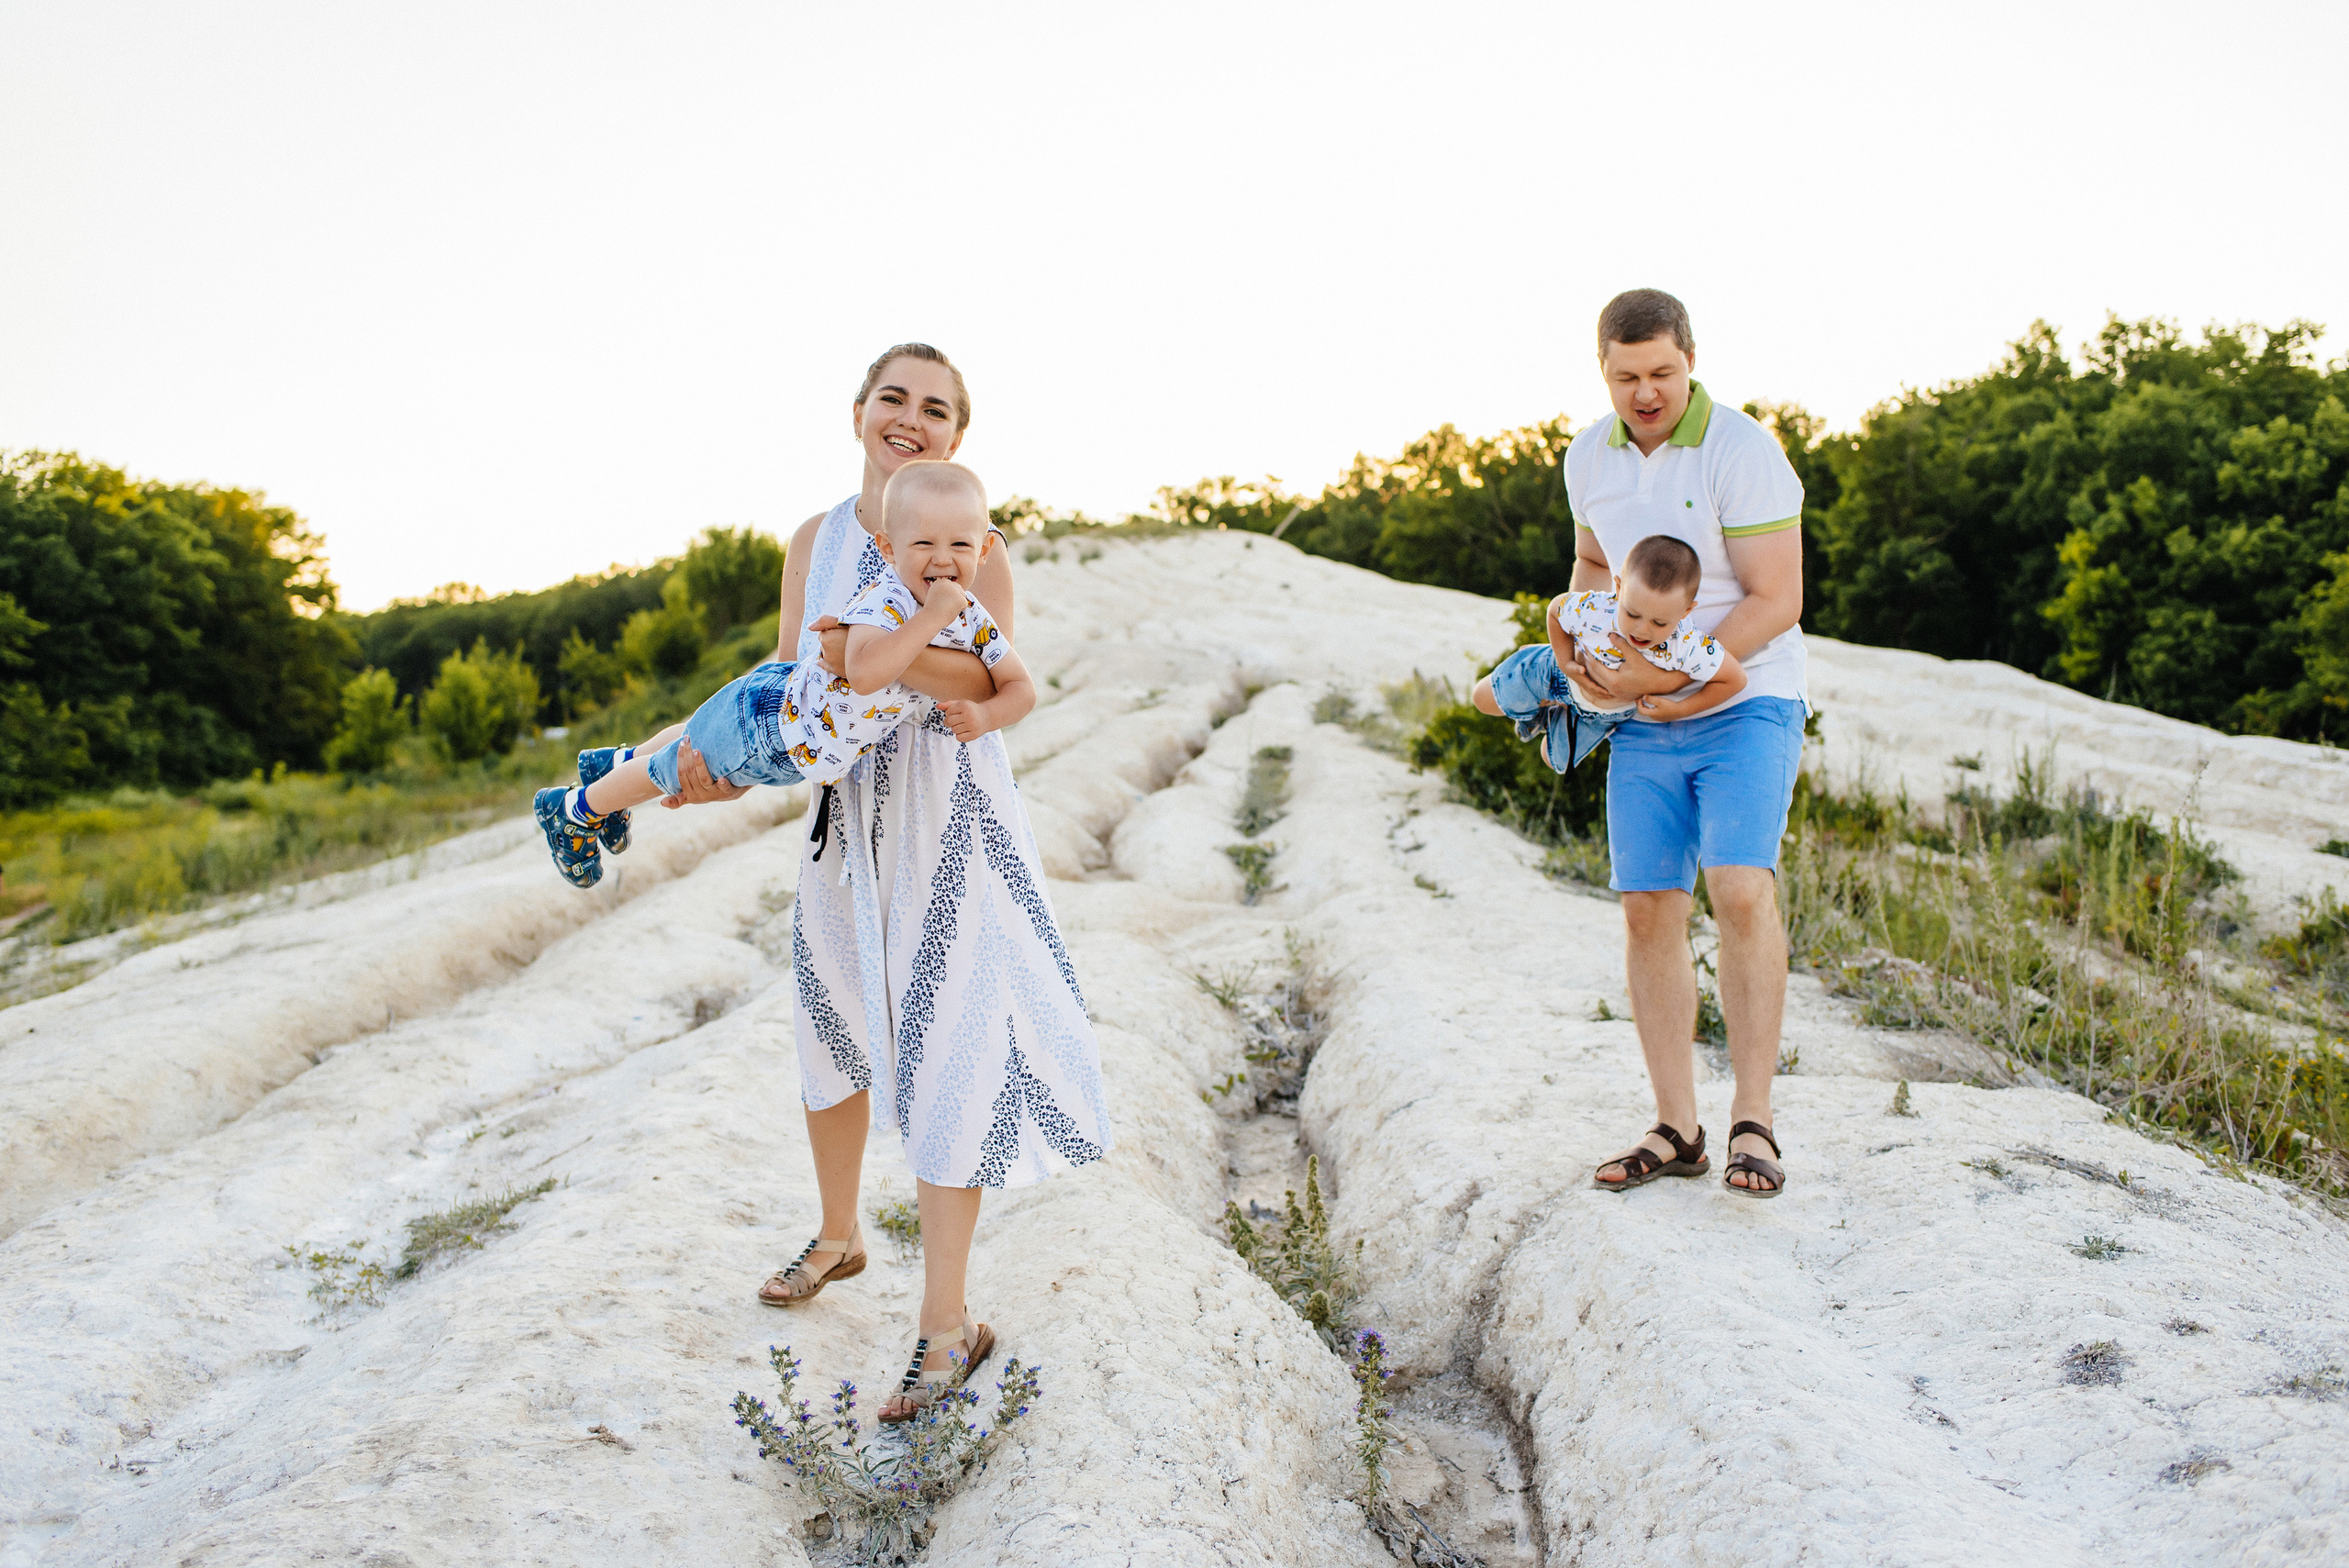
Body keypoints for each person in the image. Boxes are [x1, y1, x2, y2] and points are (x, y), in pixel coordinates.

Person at [666, 344, 1111, 1422]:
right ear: (857, 411)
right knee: (831, 1023)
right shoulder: (815, 543)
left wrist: (875, 649)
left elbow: (984, 674)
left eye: (936, 408)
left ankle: (947, 1322)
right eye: (893, 399)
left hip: (944, 811)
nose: (910, 419)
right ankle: (838, 1233)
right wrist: (717, 773)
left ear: (959, 435)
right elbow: (787, 682)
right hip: (842, 812)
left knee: (949, 1039)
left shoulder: (973, 545)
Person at [1562, 289, 1809, 1199]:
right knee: (1646, 906)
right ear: (1604, 372)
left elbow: (1775, 597)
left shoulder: (1742, 450)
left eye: (1662, 371)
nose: (1646, 392)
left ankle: (1754, 1120)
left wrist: (1673, 676)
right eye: (1626, 376)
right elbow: (1593, 567)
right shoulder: (1588, 454)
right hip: (1641, 710)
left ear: (1690, 359)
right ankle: (1678, 1126)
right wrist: (1588, 654)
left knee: (1738, 890)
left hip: (1748, 699)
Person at [528, 462, 1032, 889]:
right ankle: (575, 809)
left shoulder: (972, 616)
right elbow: (863, 672)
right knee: (679, 762)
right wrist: (931, 619)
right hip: (774, 725)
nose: (943, 560)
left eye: (960, 547)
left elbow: (1019, 687)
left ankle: (611, 765)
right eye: (924, 542)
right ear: (888, 548)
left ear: (983, 550)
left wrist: (987, 713)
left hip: (799, 743)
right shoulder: (884, 600)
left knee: (692, 735)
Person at [1471, 534, 1746, 772]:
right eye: (1632, 613)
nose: (1642, 630)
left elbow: (1734, 679)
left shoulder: (1687, 644)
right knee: (1482, 699)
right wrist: (1565, 661)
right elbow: (1556, 609)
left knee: (1555, 761)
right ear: (1618, 587)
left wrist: (1678, 709)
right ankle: (1538, 693)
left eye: (1659, 623)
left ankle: (1547, 712)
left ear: (1686, 611)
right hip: (1560, 673)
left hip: (1601, 712)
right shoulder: (1598, 609)